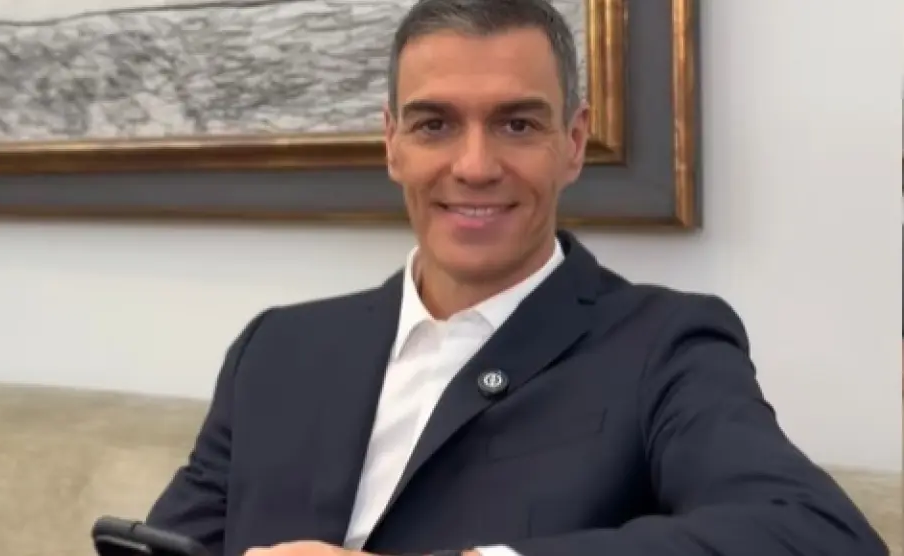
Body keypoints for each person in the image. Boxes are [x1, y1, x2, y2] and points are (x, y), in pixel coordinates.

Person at [144, 0, 888, 555]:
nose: (474, 166)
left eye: (518, 125)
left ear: (574, 143)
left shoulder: (665, 345)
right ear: (393, 144)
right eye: (435, 125)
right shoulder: (275, 349)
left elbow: (816, 535)